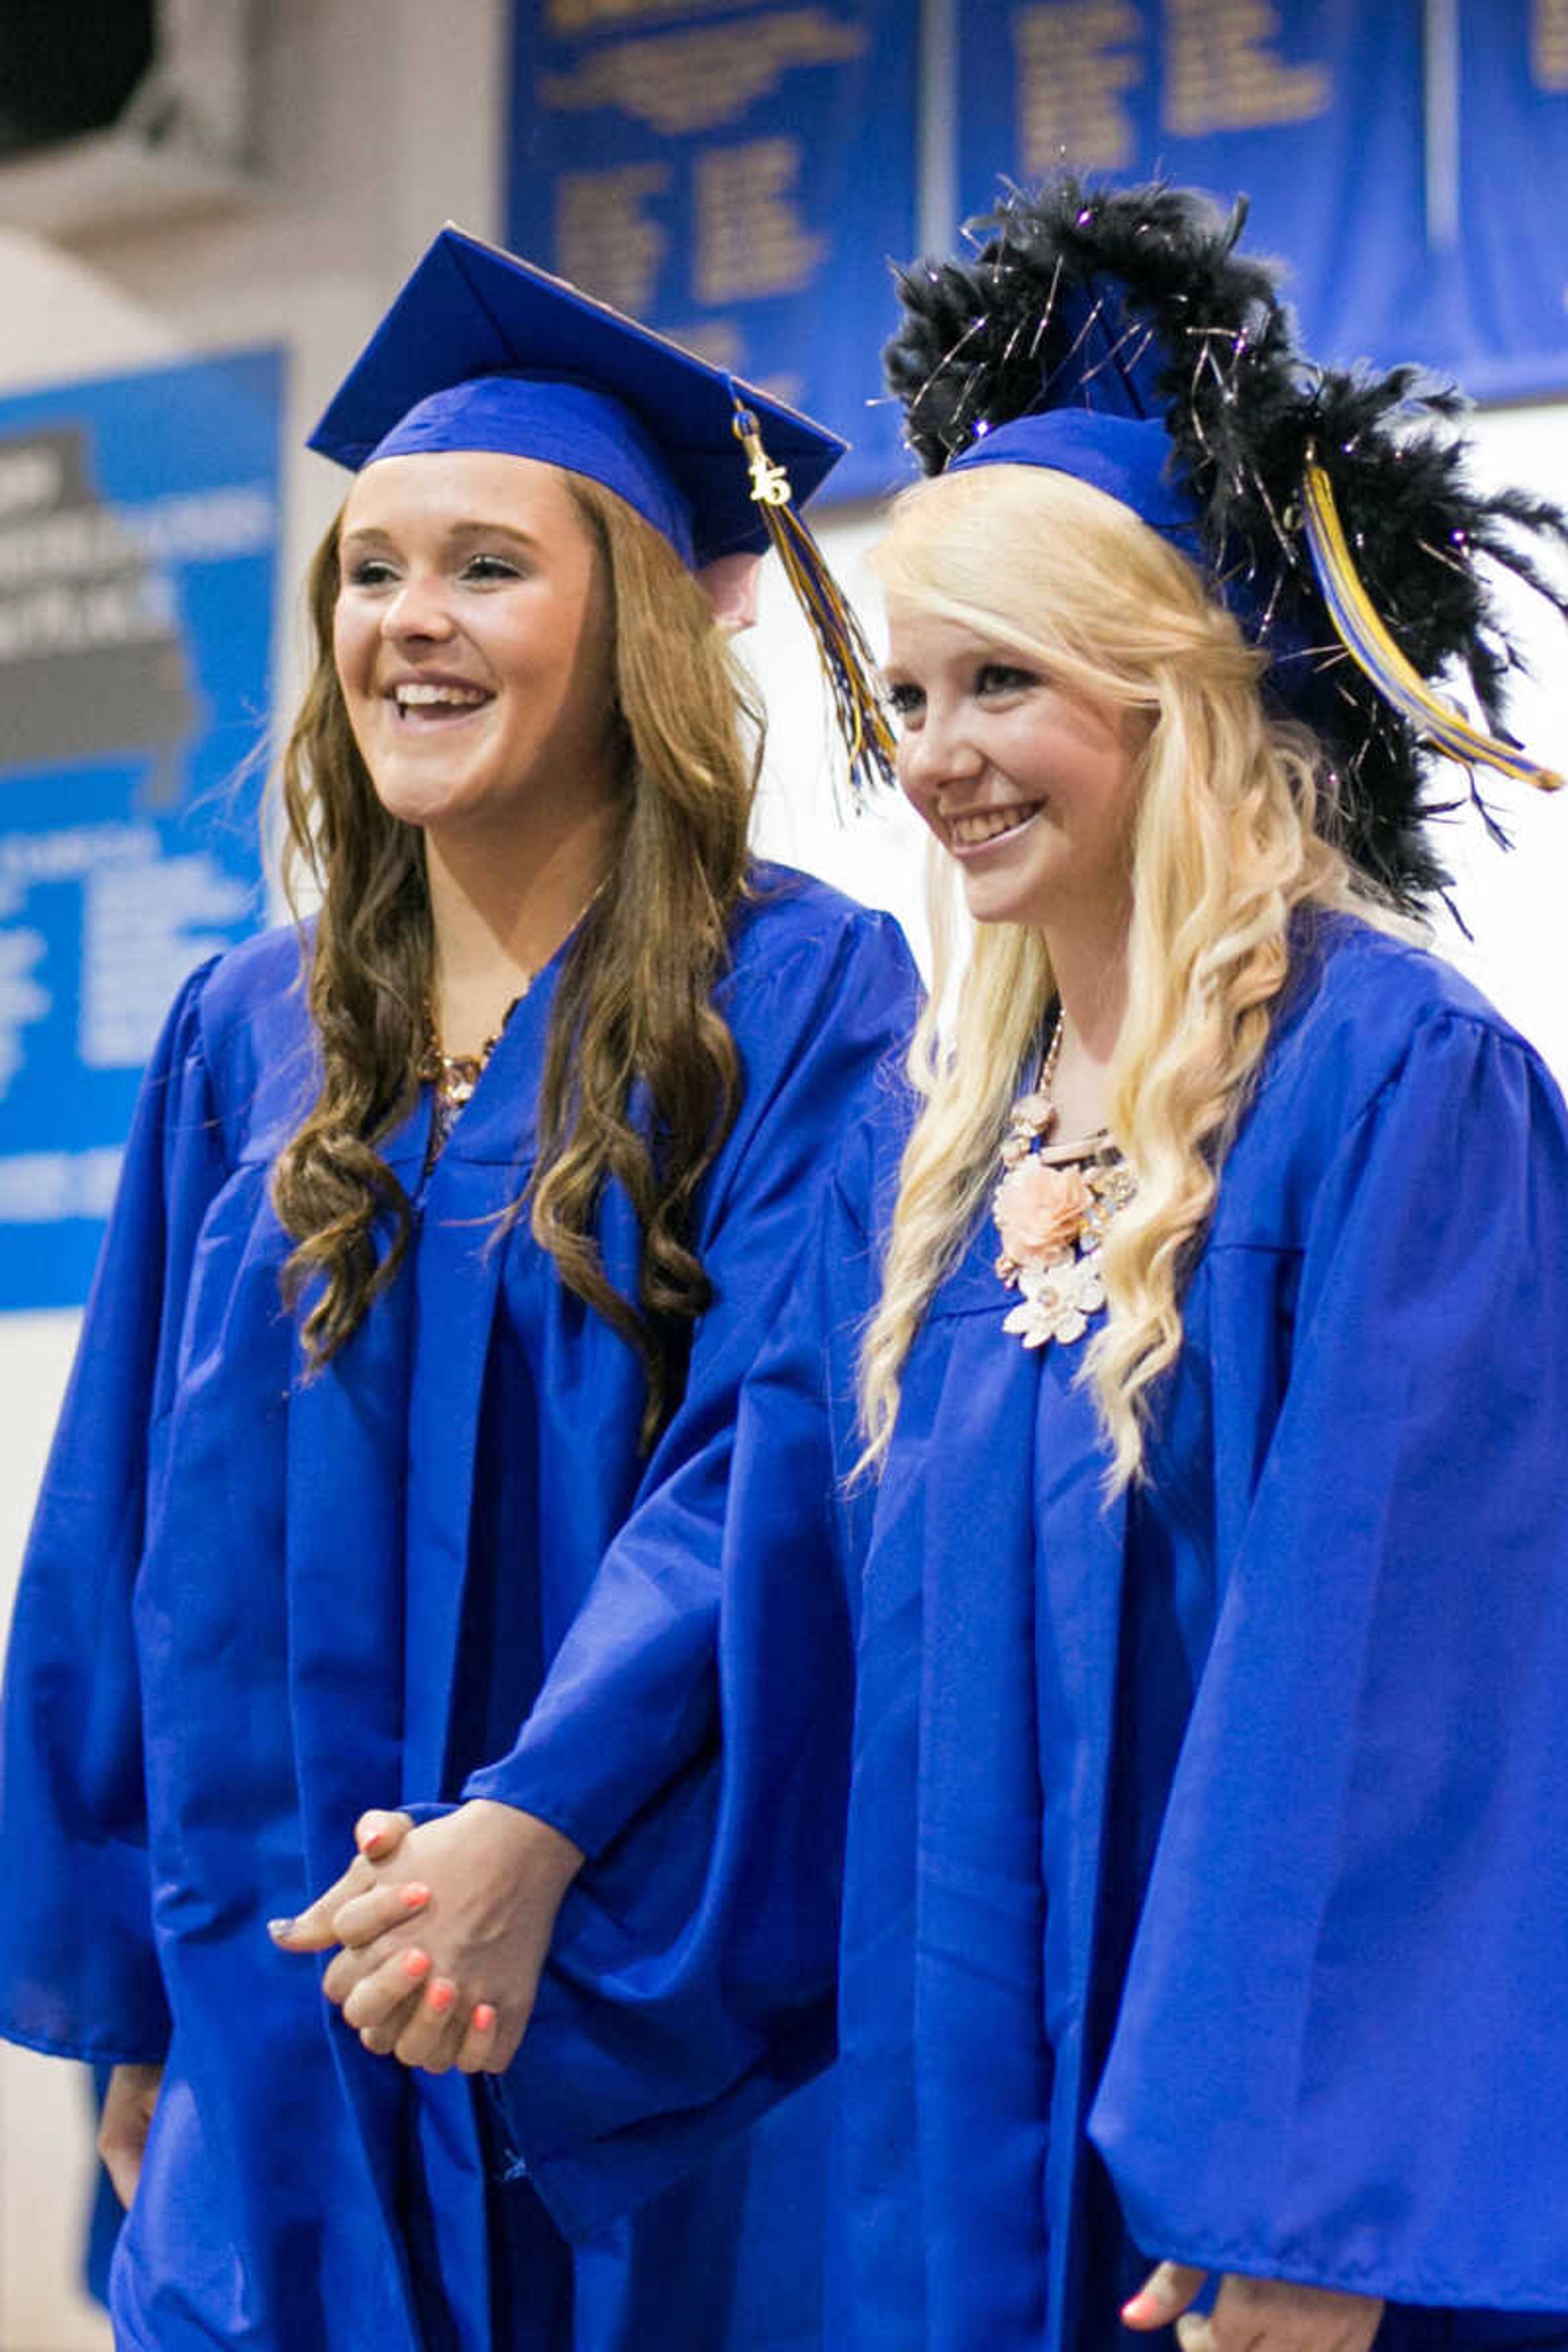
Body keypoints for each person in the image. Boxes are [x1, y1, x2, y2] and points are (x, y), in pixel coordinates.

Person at [0, 225, 915, 2350]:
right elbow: (119, 1511)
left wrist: (536, 1821)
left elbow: (784, 1455)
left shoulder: (794, 996)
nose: (411, 619)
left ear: (637, 639)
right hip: (276, 2005)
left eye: (489, 566)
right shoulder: (250, 1028)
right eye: (372, 568)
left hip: (620, 1999)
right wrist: (128, 1996)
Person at [711, 178, 1568, 2351]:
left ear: (1176, 698)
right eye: (908, 692)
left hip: (1268, 2215)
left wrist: (1300, 2188)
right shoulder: (934, 1151)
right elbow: (770, 1571)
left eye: (1009, 683)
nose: (941, 758)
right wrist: (536, 1834)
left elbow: (1402, 1662)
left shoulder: (1391, 1083)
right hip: (947, 2149)